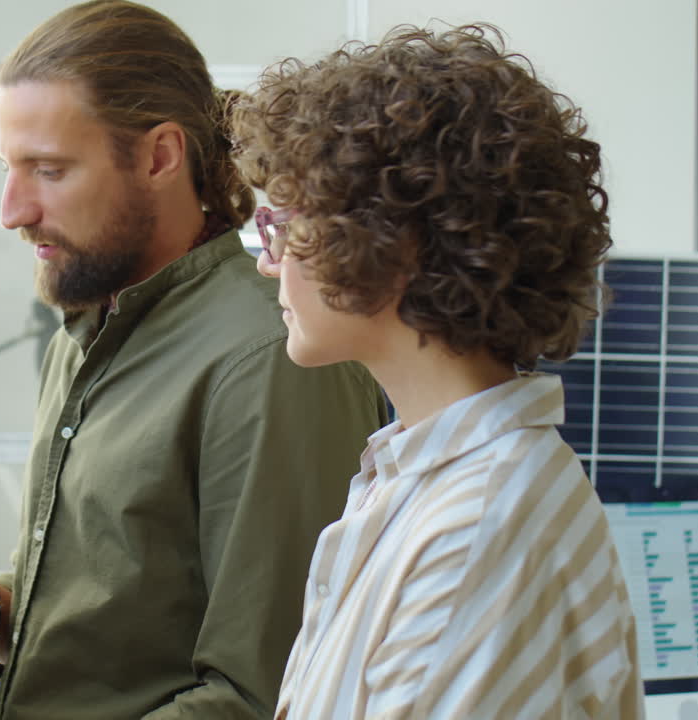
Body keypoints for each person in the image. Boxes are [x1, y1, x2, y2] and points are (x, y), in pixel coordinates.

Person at [0, 1, 388, 718]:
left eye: (48, 170)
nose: (12, 211)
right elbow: (118, 630)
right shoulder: (84, 334)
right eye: (9, 169)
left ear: (160, 157)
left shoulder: (270, 361)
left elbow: (261, 699)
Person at [229, 24, 644, 719]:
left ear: (397, 241)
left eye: (290, 221)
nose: (270, 260)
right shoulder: (425, 479)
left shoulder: (476, 529)